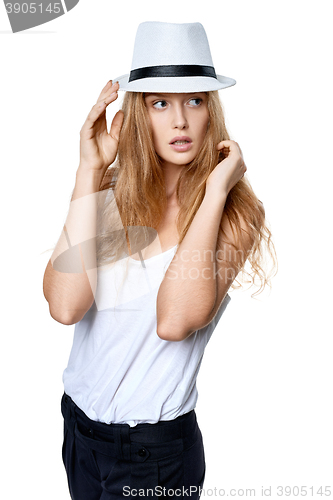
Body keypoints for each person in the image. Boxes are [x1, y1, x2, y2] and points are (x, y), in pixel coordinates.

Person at [43, 21, 277, 500]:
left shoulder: (234, 216)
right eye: (160, 103)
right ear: (137, 114)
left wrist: (215, 191)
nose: (180, 121)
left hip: (155, 454)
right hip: (80, 432)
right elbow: (64, 307)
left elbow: (175, 320)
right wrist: (89, 171)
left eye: (194, 100)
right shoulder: (106, 198)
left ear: (211, 111)